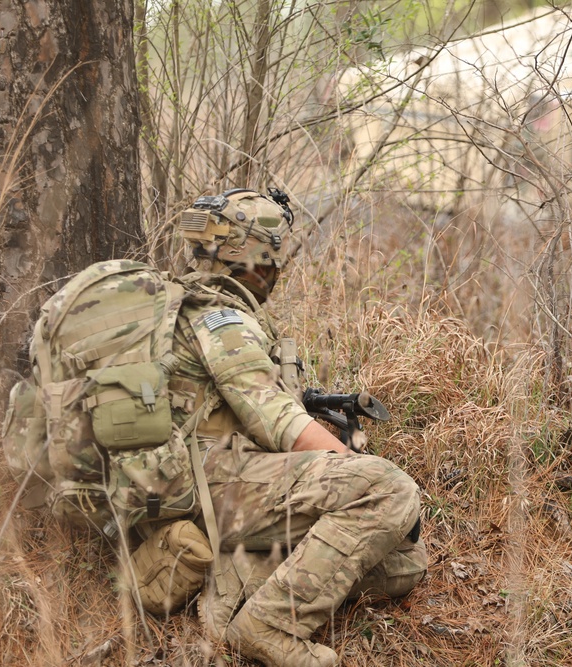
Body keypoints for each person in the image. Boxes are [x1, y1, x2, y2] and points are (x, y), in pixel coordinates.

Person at [169, 188, 427, 666]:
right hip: (211, 483)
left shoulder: (205, 309)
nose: (277, 266)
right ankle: (268, 625)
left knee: (404, 562)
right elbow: (277, 420)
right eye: (273, 252)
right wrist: (356, 468)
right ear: (252, 254)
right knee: (389, 491)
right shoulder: (221, 320)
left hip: (231, 481)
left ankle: (232, 591)